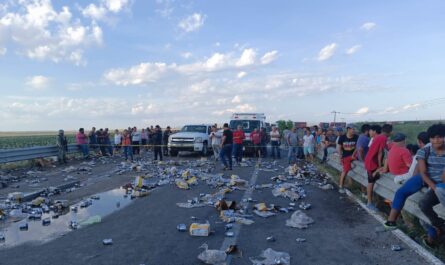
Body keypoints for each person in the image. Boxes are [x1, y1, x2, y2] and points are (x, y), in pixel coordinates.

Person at [384, 131, 430, 229]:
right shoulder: (405, 151)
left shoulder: (392, 148)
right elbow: (412, 167)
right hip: (415, 177)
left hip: (399, 176)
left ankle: (392, 221)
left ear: (419, 142)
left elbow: (416, 171)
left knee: (400, 192)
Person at [417, 124, 445, 247]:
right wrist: (434, 187)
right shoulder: (424, 151)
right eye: (433, 138)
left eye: (439, 137)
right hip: (435, 185)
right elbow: (422, 172)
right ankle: (441, 225)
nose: (436, 140)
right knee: (423, 204)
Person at [364, 123, 393, 211]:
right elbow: (382, 152)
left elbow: (380, 152)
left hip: (370, 160)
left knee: (373, 179)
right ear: (390, 132)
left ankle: (373, 200)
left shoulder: (379, 137)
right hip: (371, 162)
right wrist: (380, 166)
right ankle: (369, 202)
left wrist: (380, 165)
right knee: (371, 182)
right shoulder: (384, 138)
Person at [337, 125, 359, 193]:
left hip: (354, 156)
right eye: (353, 129)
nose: (354, 131)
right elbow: (339, 148)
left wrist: (353, 155)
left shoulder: (356, 137)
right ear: (348, 129)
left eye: (354, 129)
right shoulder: (342, 137)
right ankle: (341, 186)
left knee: (352, 169)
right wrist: (340, 157)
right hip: (345, 156)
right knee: (345, 171)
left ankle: (350, 184)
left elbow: (357, 147)